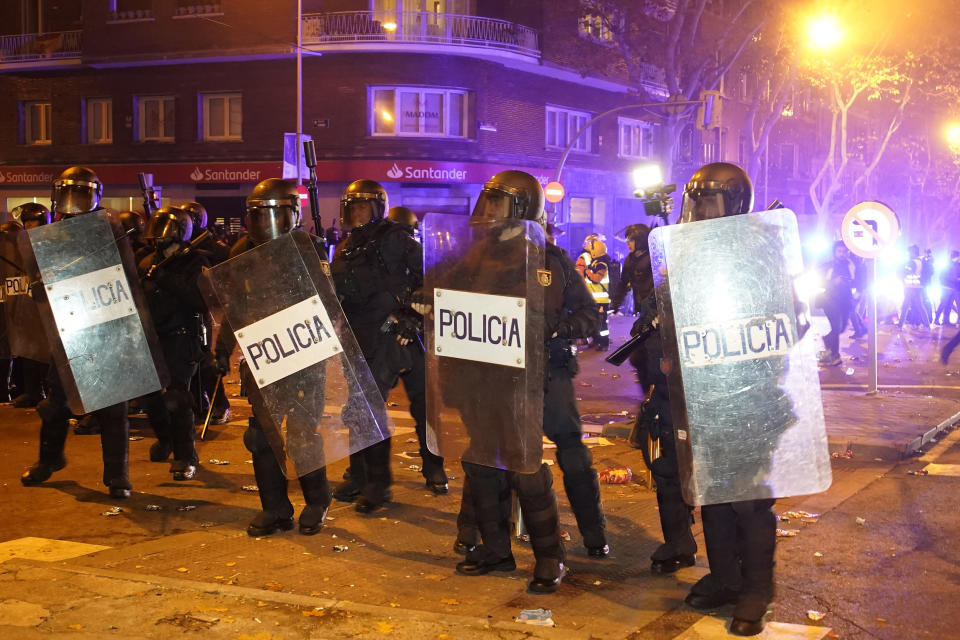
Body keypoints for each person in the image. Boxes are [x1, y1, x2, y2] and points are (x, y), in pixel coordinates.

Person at [441, 170, 600, 593]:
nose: (489, 210)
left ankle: (550, 558)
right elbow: (445, 303)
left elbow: (589, 315)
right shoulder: (471, 257)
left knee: (526, 467)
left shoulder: (550, 260)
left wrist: (559, 329)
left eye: (499, 203)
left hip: (532, 380)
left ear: (522, 208)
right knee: (481, 465)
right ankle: (495, 550)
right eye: (487, 201)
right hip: (482, 377)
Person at [671, 162, 777, 637]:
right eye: (695, 200)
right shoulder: (688, 256)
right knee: (712, 492)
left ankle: (756, 589)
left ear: (734, 203)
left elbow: (785, 324)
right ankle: (725, 577)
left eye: (709, 201)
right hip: (703, 388)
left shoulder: (762, 253)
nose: (699, 210)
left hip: (752, 391)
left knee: (750, 500)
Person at [213, 178, 333, 536]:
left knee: (302, 434)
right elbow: (236, 308)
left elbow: (328, 305)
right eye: (258, 215)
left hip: (304, 355)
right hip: (262, 355)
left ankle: (316, 501)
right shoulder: (242, 252)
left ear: (292, 214)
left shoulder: (308, 248)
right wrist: (221, 351)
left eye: (272, 215)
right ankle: (276, 509)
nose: (264, 223)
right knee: (262, 437)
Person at [20, 166, 135, 499]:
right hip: (69, 328)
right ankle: (50, 459)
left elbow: (125, 278)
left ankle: (117, 475)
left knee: (113, 407)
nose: (73, 203)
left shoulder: (108, 231)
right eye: (68, 194)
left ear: (94, 195)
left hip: (106, 326)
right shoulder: (51, 234)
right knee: (56, 403)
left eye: (80, 194)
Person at [330, 179, 428, 512]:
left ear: (376, 208)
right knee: (357, 411)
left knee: (371, 408)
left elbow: (431, 274)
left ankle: (379, 485)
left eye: (361, 207)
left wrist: (410, 316)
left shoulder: (394, 238)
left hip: (389, 333)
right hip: (357, 335)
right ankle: (358, 475)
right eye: (350, 207)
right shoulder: (346, 245)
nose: (354, 214)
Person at [137, 206, 207, 481]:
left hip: (182, 336)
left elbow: (201, 300)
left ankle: (185, 456)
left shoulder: (195, 261)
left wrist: (166, 278)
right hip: (153, 337)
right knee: (150, 397)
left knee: (178, 398)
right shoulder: (145, 262)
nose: (161, 242)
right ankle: (165, 439)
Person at [384, 205, 448, 494]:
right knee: (368, 409)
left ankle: (434, 466)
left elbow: (434, 293)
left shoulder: (424, 258)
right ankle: (368, 475)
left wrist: (412, 320)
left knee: (426, 410)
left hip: (416, 340)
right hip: (386, 339)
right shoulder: (377, 259)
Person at [817, 242, 854, 366]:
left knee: (842, 327)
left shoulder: (850, 265)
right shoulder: (828, 266)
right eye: (839, 251)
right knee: (836, 326)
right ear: (834, 252)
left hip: (845, 300)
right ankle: (835, 356)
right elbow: (820, 282)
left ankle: (827, 339)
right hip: (830, 301)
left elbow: (856, 280)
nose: (842, 254)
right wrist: (834, 281)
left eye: (844, 251)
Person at [610, 224, 654, 316]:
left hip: (654, 310)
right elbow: (623, 284)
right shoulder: (629, 260)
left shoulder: (653, 259)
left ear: (640, 241)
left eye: (631, 240)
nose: (627, 243)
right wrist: (614, 307)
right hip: (640, 310)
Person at [899, 245, 928, 328]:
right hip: (918, 286)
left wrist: (903, 269)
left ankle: (900, 324)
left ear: (913, 252)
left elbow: (906, 272)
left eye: (909, 252)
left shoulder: (911, 262)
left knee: (905, 306)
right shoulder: (921, 261)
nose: (908, 254)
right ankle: (927, 324)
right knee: (920, 306)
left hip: (910, 286)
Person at [935, 251, 960, 326]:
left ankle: (945, 321)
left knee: (947, 305)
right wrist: (956, 279)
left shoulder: (954, 264)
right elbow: (945, 276)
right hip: (948, 288)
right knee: (944, 304)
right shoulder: (950, 265)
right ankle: (937, 319)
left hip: (951, 288)